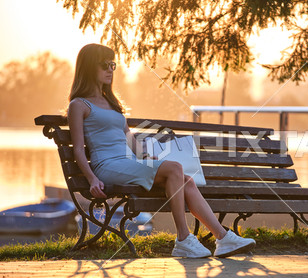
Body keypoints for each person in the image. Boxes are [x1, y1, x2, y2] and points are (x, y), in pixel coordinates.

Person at [67, 43, 255, 258]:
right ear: (90, 67)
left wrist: (146, 157)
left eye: (113, 64)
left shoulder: (112, 102)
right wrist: (91, 179)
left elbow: (129, 138)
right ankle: (184, 239)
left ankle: (223, 238)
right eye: (104, 65)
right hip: (107, 166)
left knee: (186, 180)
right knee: (175, 168)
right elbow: (78, 151)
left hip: (128, 163)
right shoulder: (79, 105)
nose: (110, 69)